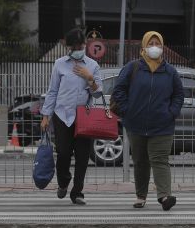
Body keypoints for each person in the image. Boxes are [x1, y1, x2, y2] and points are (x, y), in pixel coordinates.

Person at [111, 31, 184, 211]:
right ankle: (140, 196)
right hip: (136, 124)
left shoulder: (170, 71)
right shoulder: (133, 67)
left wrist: (172, 112)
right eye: (151, 43)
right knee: (141, 161)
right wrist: (128, 110)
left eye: (158, 44)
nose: (154, 47)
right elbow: (118, 90)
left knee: (160, 159)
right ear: (143, 46)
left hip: (162, 125)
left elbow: (179, 94)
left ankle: (164, 196)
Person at [40, 28, 102, 205]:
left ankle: (78, 192)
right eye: (74, 46)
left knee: (82, 156)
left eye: (80, 45)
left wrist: (90, 78)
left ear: (85, 44)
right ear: (68, 46)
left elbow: (98, 95)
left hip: (84, 117)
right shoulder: (60, 64)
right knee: (63, 152)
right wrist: (46, 115)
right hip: (62, 115)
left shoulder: (93, 65)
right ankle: (63, 181)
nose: (78, 48)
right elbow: (52, 91)